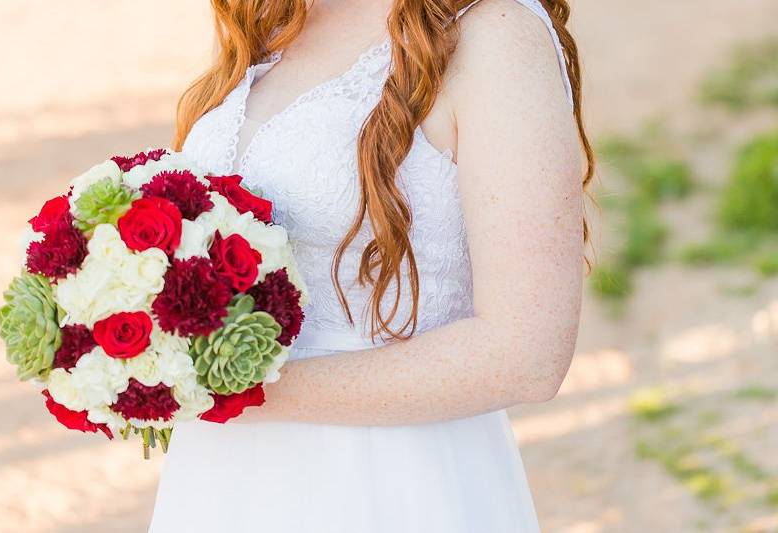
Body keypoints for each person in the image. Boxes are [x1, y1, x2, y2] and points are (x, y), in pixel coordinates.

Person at [149, 0, 592, 531]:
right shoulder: (274, 19)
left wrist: (235, 388)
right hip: (223, 479)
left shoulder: (495, 34)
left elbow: (527, 353)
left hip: (389, 479)